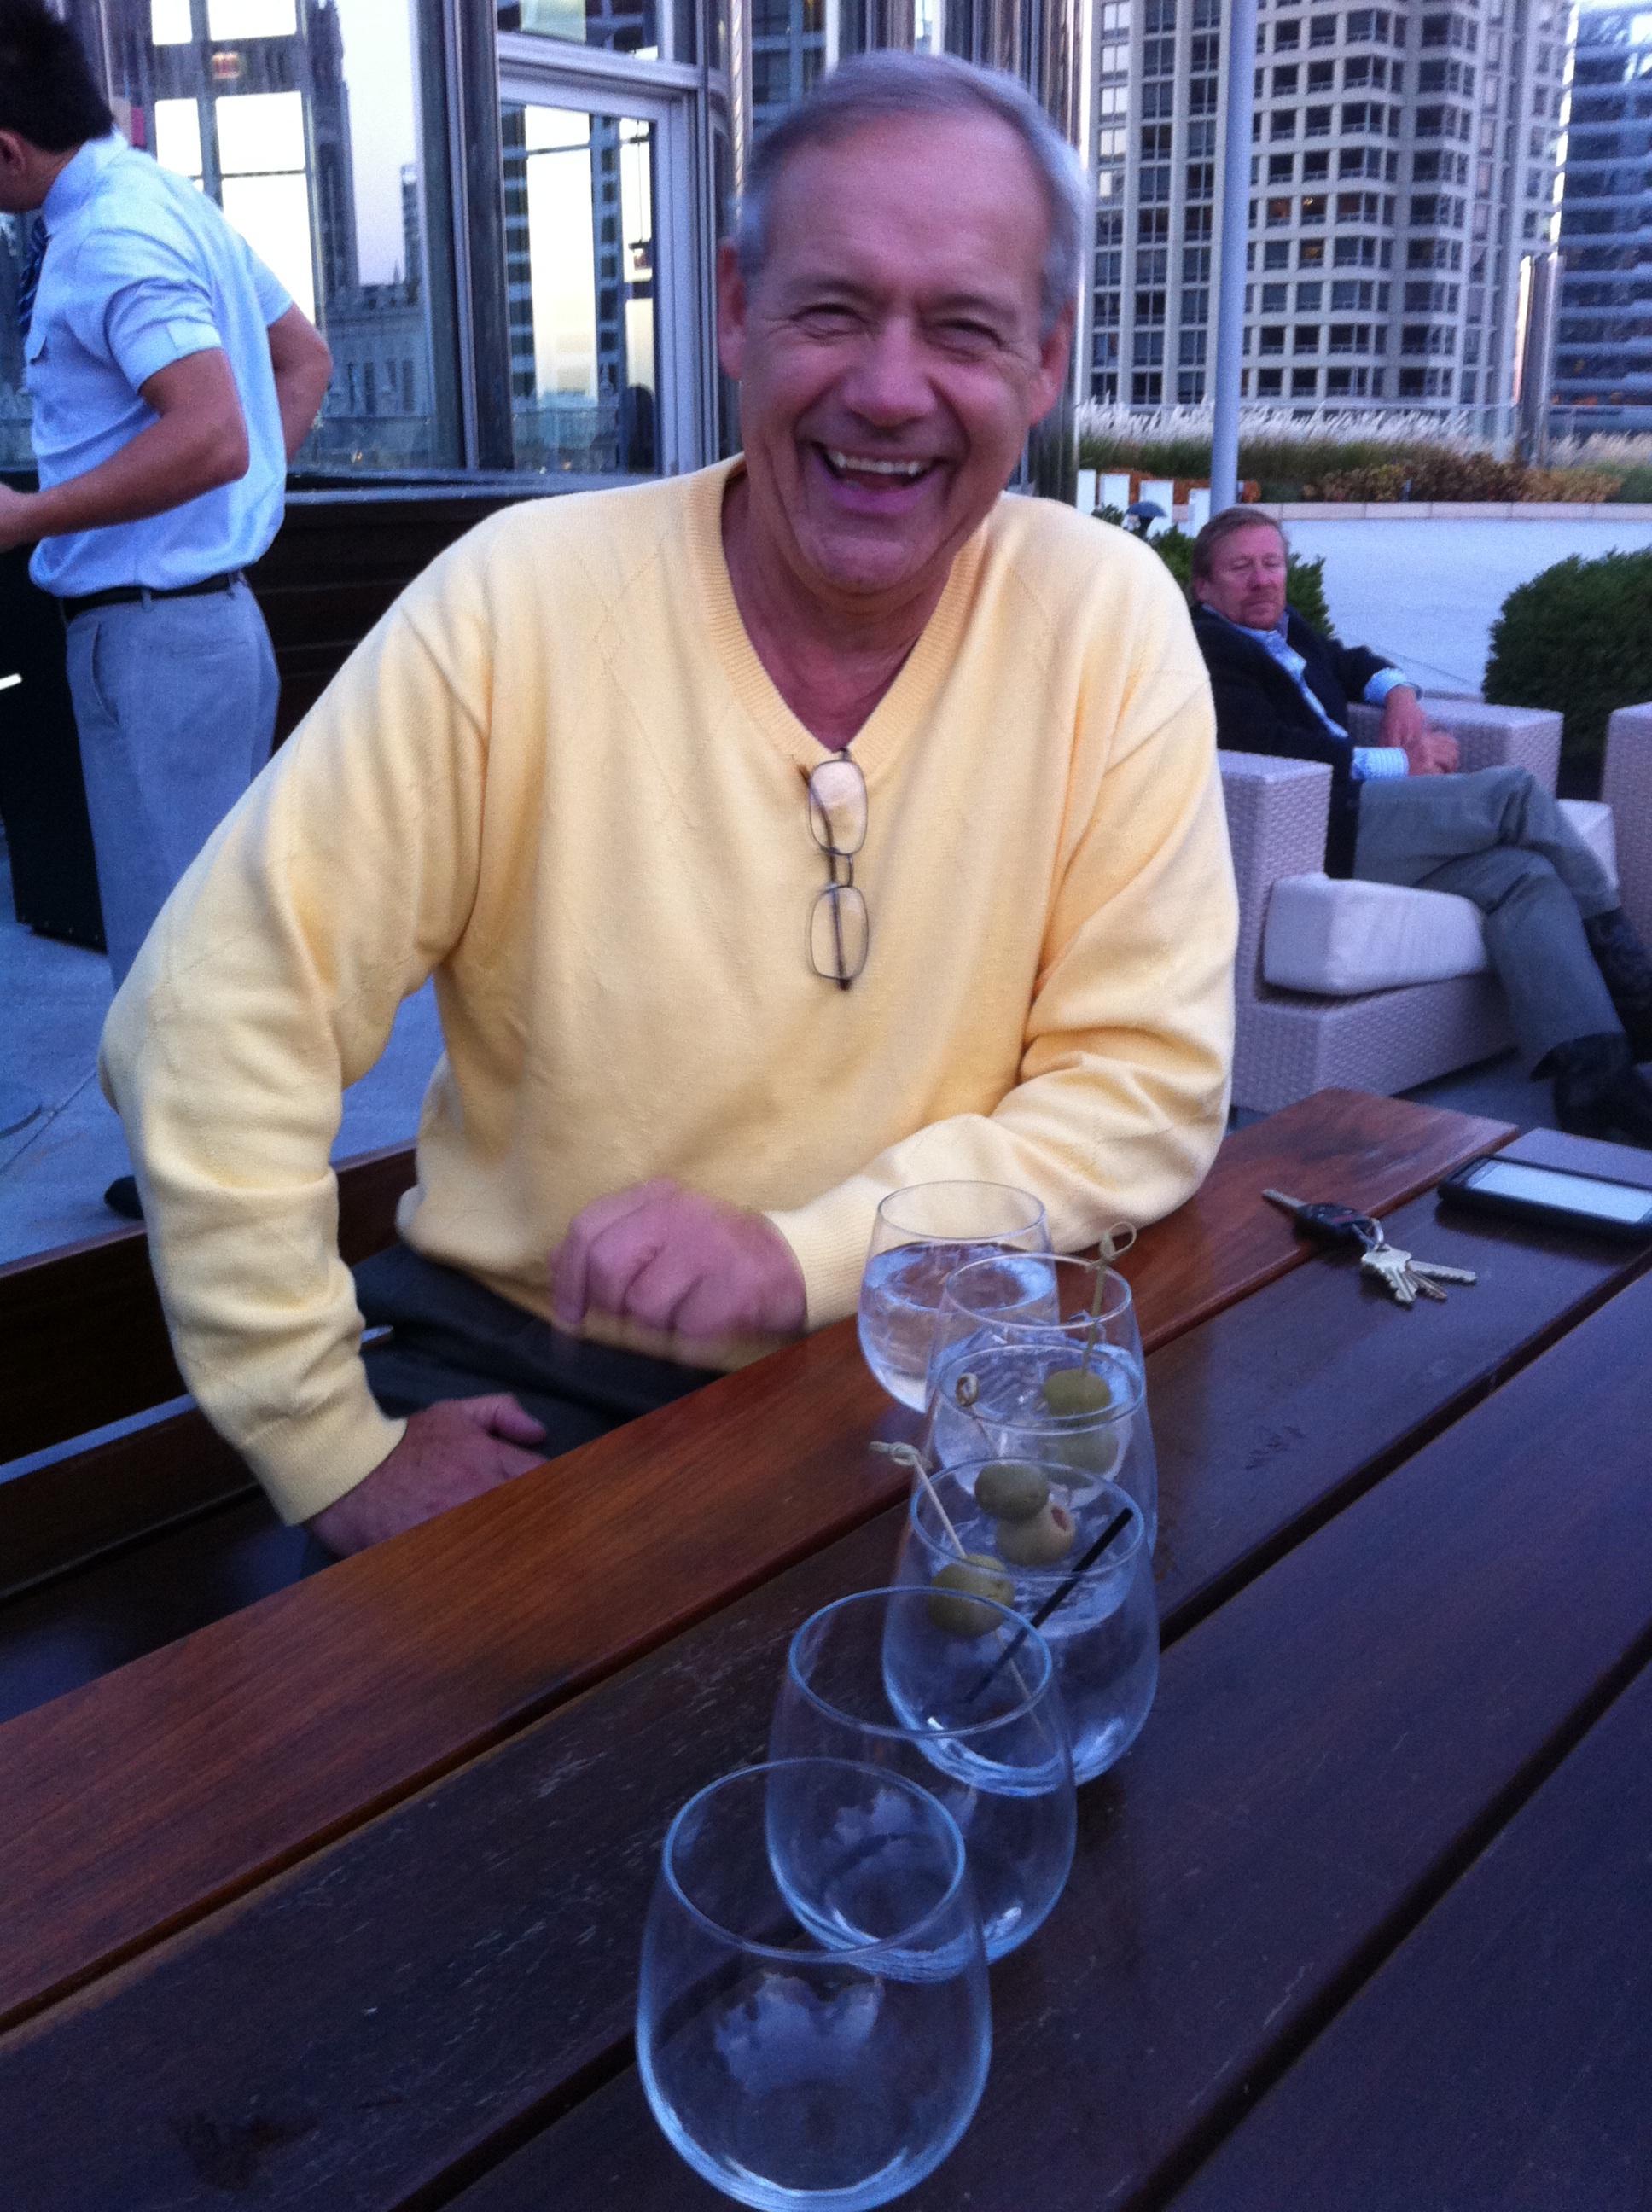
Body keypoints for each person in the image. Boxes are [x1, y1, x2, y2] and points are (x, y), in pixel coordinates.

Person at [99, 53, 1238, 1558]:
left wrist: (801, 1255)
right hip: (540, 1371)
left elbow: (1142, 1083)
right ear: (734, 311)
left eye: (963, 328)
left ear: (1044, 361)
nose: (888, 388)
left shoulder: (1103, 617)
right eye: (832, 309)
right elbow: (209, 1018)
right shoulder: (520, 602)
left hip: (935, 1361)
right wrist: (325, 1441)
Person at [0, 0, 332, 1212]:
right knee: (217, 928)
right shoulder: (166, 201)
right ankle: (232, 1172)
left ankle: (210, 1203)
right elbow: (303, 361)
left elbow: (211, 433)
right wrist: (233, 519)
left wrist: (30, 516)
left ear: (5, 148)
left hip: (154, 638)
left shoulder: (106, 241)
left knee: (171, 947)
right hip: (200, 622)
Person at [1190, 506, 1652, 1145]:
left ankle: (1594, 1079)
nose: (1263, 579)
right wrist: (1400, 763)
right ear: (1204, 587)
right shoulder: (1208, 648)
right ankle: (1633, 985)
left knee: (1526, 876)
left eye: (1272, 563)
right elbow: (1265, 743)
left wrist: (1401, 697)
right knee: (1514, 794)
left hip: (1378, 821)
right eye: (1241, 568)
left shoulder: (1286, 629)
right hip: (1323, 826)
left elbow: (1356, 663)